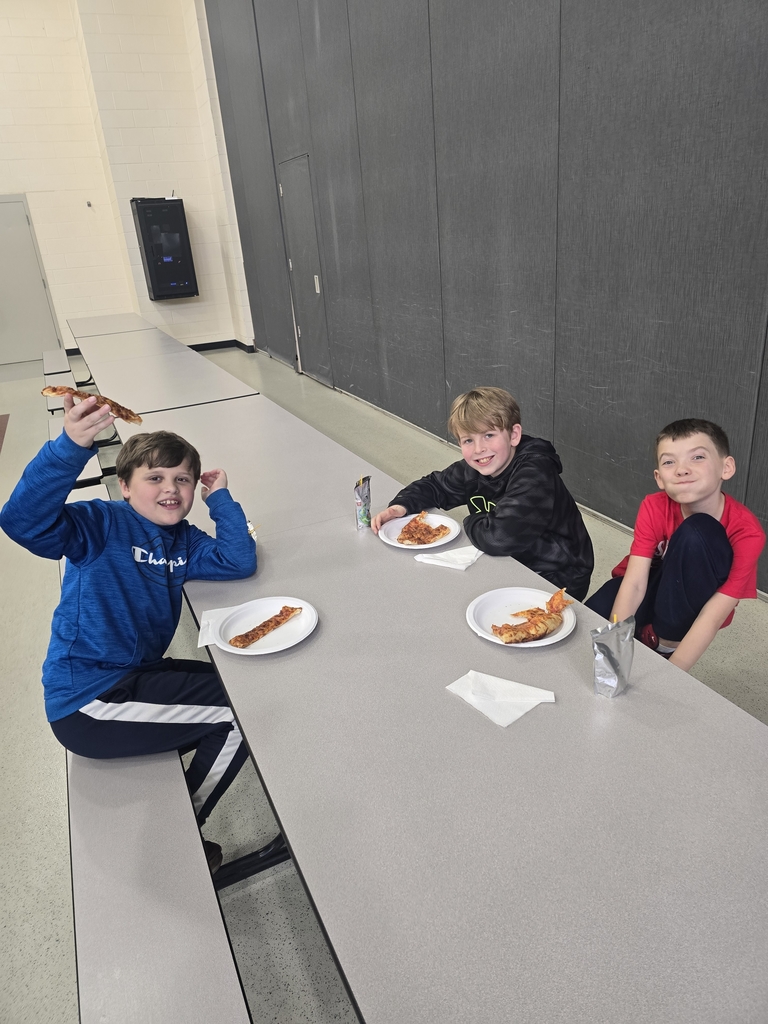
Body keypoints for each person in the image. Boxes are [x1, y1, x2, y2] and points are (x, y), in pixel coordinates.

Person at [0, 394, 257, 871]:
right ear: (124, 486)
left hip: (132, 677)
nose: (171, 489)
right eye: (154, 478)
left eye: (182, 479)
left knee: (241, 686)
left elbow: (238, 561)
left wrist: (219, 500)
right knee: (242, 715)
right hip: (90, 702)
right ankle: (180, 834)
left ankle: (177, 819)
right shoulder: (100, 523)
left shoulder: (184, 539)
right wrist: (70, 447)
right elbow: (21, 521)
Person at [371, 387, 594, 600]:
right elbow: (435, 485)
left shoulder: (535, 473)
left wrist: (473, 520)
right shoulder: (475, 468)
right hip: (510, 561)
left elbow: (498, 538)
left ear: (514, 435)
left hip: (557, 574)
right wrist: (401, 506)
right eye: (468, 440)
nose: (479, 449)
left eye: (488, 435)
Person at [585, 418, 765, 672]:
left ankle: (663, 642)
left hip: (690, 604)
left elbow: (714, 614)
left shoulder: (747, 532)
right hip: (652, 583)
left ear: (726, 467)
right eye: (669, 462)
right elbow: (634, 583)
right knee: (595, 617)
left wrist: (672, 673)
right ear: (659, 478)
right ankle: (638, 635)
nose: (682, 469)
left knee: (698, 530)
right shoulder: (654, 505)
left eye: (697, 457)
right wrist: (612, 649)